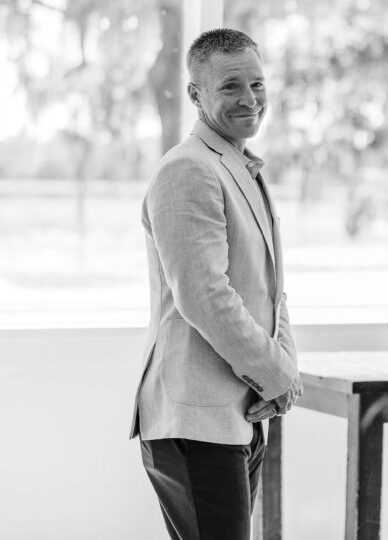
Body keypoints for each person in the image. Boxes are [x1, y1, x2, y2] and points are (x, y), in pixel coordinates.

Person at [129, 28, 302, 540]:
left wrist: (284, 371)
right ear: (196, 95)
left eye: (257, 84)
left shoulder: (239, 166)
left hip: (238, 415)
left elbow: (272, 290)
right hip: (194, 419)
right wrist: (277, 379)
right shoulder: (188, 169)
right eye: (230, 86)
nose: (250, 99)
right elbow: (204, 298)